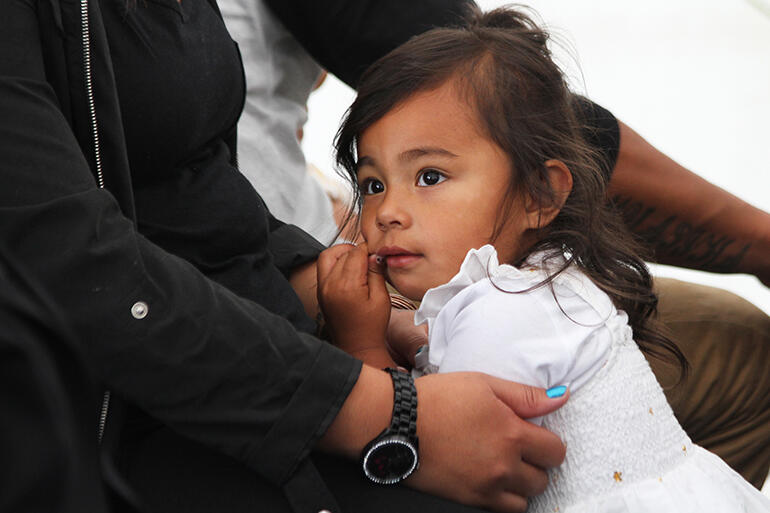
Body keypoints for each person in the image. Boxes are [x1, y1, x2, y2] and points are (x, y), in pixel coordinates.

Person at [318, 6, 770, 512]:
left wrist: (360, 342)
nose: (387, 213)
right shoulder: (545, 276)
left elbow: (432, 464)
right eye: (373, 185)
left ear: (539, 194)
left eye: (429, 177)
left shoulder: (502, 313)